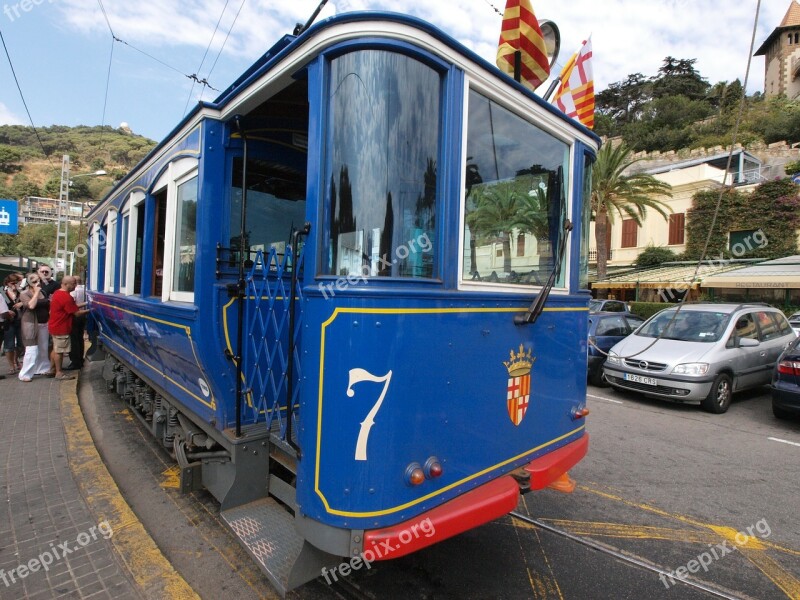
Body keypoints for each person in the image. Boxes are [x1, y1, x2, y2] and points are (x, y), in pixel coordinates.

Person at [48, 276, 90, 380]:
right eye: (73, 283)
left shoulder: (58, 293)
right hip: (62, 327)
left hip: (54, 326)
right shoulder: (66, 297)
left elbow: (71, 307)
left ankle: (52, 369)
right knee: (60, 351)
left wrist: (86, 304)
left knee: (55, 348)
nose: (75, 285)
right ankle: (59, 372)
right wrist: (91, 310)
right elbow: (76, 313)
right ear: (66, 284)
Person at [18, 272, 53, 382]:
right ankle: (25, 373)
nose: (38, 283)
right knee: (31, 349)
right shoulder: (24, 294)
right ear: (29, 283)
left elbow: (47, 305)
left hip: (44, 323)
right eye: (34, 282)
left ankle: (42, 368)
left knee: (43, 347)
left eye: (39, 281)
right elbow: (31, 306)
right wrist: (36, 292)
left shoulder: (43, 292)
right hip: (31, 324)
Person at [2, 273, 25, 374]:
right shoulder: (3, 292)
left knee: (21, 344)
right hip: (8, 321)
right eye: (12, 283)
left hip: (20, 320)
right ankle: (12, 366)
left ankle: (16, 360)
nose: (15, 285)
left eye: (17, 283)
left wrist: (22, 303)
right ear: (7, 283)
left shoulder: (21, 292)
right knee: (9, 344)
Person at [67, 276, 87, 370]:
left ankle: (75, 361)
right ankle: (80, 359)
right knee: (80, 338)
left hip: (75, 316)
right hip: (82, 316)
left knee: (74, 340)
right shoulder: (84, 289)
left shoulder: (72, 292)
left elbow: (72, 306)